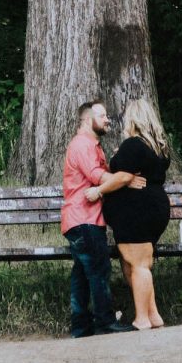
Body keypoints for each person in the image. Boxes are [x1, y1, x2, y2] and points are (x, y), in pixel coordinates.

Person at [85, 96, 171, 330]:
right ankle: (153, 316)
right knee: (135, 263)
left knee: (140, 264)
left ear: (133, 120)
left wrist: (99, 191)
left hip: (137, 212)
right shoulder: (157, 147)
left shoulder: (133, 145)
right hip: (151, 209)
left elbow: (122, 175)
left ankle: (141, 319)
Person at [61, 98, 143, 337]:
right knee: (99, 269)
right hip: (84, 219)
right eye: (103, 115)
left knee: (82, 274)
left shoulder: (90, 146)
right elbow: (97, 176)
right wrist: (126, 178)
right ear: (88, 120)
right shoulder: (83, 145)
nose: (108, 119)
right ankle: (105, 322)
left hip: (79, 220)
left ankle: (80, 327)